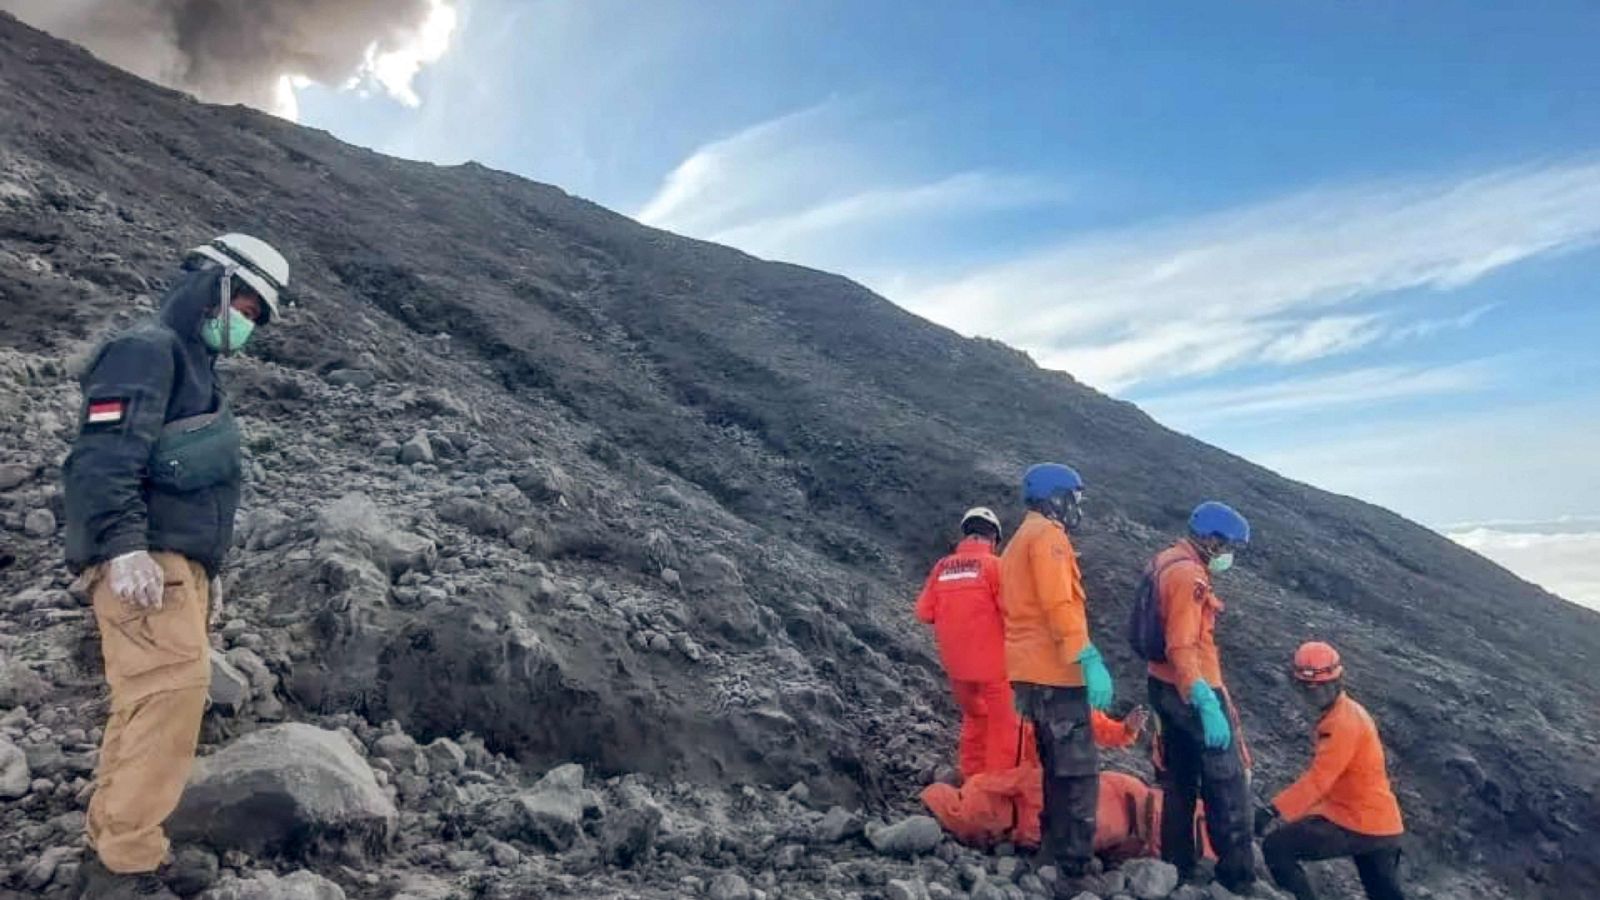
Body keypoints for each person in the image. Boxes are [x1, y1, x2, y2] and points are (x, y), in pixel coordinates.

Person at [64, 234, 289, 899]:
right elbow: (104, 455)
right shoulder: (149, 350)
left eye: (255, 315)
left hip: (171, 564)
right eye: (242, 304)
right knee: (171, 696)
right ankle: (123, 869)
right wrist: (122, 547)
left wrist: (204, 572)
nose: (244, 321)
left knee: (148, 702)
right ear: (212, 285)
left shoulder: (193, 366)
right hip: (143, 559)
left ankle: (112, 846)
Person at [1001, 462, 1114, 885]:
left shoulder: (1019, 539)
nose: (1076, 507)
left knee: (1055, 768)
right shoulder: (1049, 537)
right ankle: (1072, 867)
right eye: (1073, 498)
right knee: (1078, 772)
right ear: (1055, 498)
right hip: (1056, 673)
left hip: (1029, 673)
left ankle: (1051, 852)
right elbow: (1058, 604)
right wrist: (1087, 657)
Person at [1143, 501, 1256, 893]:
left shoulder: (1164, 561)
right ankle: (1238, 878)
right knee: (1227, 786)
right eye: (1228, 546)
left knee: (1179, 781)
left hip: (1162, 686)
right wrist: (1204, 699)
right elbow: (1181, 645)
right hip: (1192, 690)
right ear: (1211, 540)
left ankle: (1176, 866)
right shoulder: (1189, 575)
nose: (1229, 554)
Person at [1258, 642, 1406, 900]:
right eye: (1308, 687)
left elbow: (1319, 779)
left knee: (1277, 848)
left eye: (1319, 686)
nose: (1314, 693)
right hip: (1380, 824)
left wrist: (1272, 810)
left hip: (1358, 821)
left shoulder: (1341, 723)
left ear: (1337, 681)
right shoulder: (1347, 712)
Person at [922, 709, 1162, 855]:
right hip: (1015, 789)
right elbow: (975, 733)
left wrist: (1124, 730)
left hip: (1033, 790)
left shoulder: (1056, 694)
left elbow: (1090, 722)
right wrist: (972, 777)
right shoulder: (998, 691)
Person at [914, 506, 1015, 780]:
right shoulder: (995, 566)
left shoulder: (941, 567)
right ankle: (995, 790)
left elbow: (923, 612)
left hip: (957, 670)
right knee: (1004, 728)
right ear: (993, 538)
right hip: (995, 669)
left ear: (966, 534)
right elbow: (1013, 612)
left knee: (975, 720)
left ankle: (972, 781)